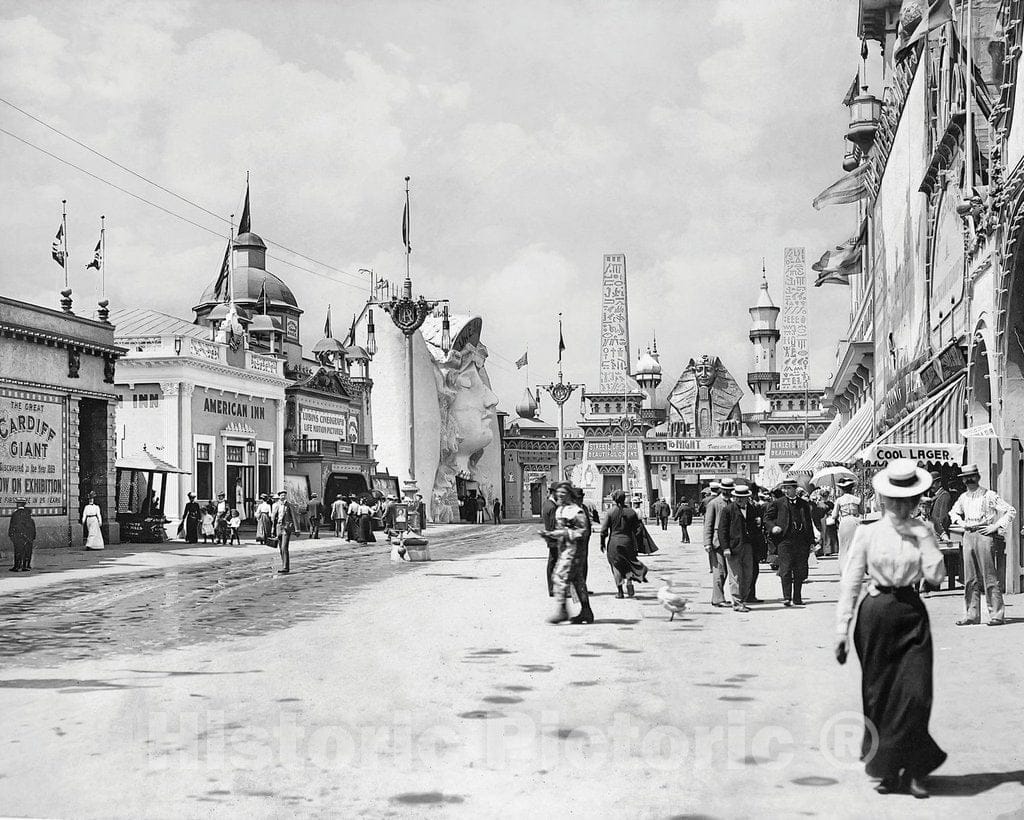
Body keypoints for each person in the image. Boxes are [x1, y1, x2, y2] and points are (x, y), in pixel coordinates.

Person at [835, 459, 947, 798]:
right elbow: (851, 580)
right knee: (879, 696)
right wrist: (842, 629)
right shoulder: (867, 532)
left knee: (916, 694)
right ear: (883, 499)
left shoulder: (921, 531)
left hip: (911, 615)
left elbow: (937, 577)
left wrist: (924, 539)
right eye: (894, 500)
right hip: (875, 616)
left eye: (908, 500)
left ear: (916, 501)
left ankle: (913, 770)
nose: (901, 507)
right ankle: (887, 769)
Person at [949, 463, 1016, 626]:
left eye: (972, 477)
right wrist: (960, 522)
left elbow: (1010, 510)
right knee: (970, 577)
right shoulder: (963, 497)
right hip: (968, 534)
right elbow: (953, 512)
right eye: (966, 478)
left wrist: (996, 526)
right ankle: (972, 614)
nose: (969, 480)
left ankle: (997, 614)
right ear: (963, 480)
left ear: (977, 477)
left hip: (984, 534)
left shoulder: (989, 495)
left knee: (989, 575)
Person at [543, 482, 593, 624]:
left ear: (569, 495)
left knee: (559, 577)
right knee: (578, 582)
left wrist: (563, 533)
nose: (559, 495)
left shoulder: (576, 511)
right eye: (558, 493)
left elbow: (582, 531)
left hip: (574, 551)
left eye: (563, 493)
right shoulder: (560, 510)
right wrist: (550, 535)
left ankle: (562, 611)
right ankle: (586, 611)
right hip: (564, 550)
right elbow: (560, 531)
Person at [764, 476, 814, 606]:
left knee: (799, 571)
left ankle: (797, 597)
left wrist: (812, 541)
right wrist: (773, 527)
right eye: (784, 488)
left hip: (801, 541)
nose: (786, 491)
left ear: (795, 489)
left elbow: (809, 523)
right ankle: (787, 597)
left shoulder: (804, 504)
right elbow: (767, 519)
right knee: (785, 570)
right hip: (784, 541)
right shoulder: (778, 503)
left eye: (788, 488)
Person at [600, 489, 648, 598]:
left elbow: (603, 530)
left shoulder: (610, 512)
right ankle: (630, 582)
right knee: (629, 563)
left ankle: (620, 591)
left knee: (616, 565)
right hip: (628, 541)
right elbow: (638, 529)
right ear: (624, 499)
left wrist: (602, 542)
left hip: (614, 542)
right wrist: (638, 543)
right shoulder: (631, 512)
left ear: (614, 499)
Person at [703, 477, 733, 606]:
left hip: (730, 541)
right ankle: (718, 599)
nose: (727, 491)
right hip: (717, 542)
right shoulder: (714, 503)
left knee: (727, 572)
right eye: (725, 489)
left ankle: (718, 597)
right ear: (721, 489)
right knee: (720, 571)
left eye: (729, 489)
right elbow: (708, 524)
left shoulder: (733, 502)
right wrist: (707, 542)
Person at [832, 477, 863, 571]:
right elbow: (862, 512)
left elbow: (834, 515)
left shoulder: (839, 500)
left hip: (845, 521)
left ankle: (845, 567)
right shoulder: (857, 499)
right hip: (856, 521)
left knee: (844, 546)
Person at [8, 498, 36, 572]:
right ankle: (26, 566)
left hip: (18, 536)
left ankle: (17, 566)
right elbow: (32, 525)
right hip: (28, 536)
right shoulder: (28, 513)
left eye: (17, 503)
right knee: (27, 551)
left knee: (18, 551)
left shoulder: (15, 514)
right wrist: (32, 536)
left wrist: (11, 535)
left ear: (18, 504)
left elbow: (12, 525)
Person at [272, 490, 296, 573]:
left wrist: (296, 529)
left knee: (284, 547)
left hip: (286, 528)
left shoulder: (289, 505)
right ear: (279, 496)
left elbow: (294, 517)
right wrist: (273, 530)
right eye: (282, 495)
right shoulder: (276, 505)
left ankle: (286, 567)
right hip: (278, 527)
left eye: (285, 495)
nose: (283, 497)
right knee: (280, 548)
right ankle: (284, 565)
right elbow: (274, 517)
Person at [541, 486, 559, 596]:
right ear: (554, 493)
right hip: (554, 539)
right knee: (553, 564)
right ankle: (552, 589)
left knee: (553, 563)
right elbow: (553, 525)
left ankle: (553, 588)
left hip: (551, 538)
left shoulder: (546, 504)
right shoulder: (552, 507)